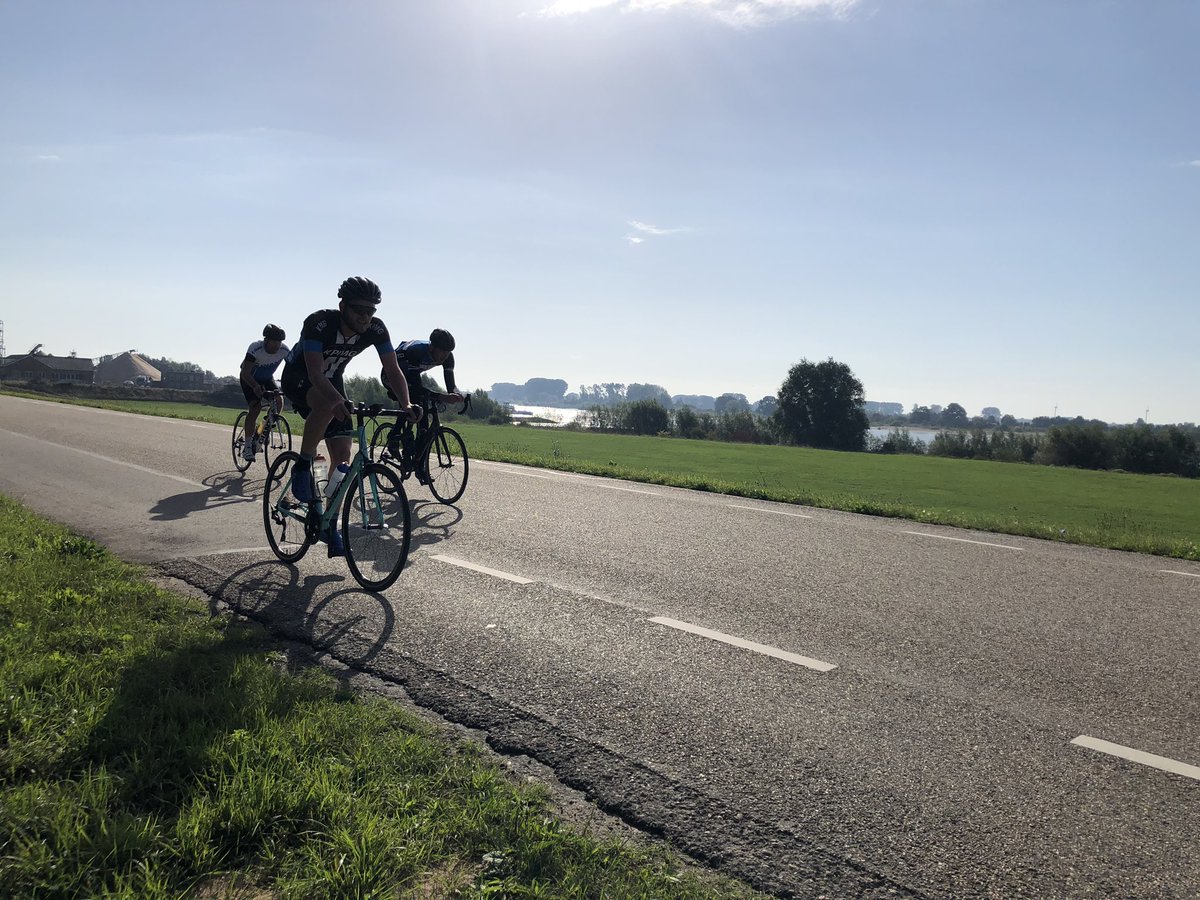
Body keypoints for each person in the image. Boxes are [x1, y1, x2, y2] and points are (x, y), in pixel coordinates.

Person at [280, 276, 419, 556]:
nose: (365, 317)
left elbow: (393, 369)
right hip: (300, 377)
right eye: (359, 310)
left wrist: (406, 403)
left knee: (343, 458)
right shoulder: (320, 323)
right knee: (325, 404)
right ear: (342, 306)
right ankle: (303, 465)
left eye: (371, 311)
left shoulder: (376, 329)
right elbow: (315, 373)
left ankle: (329, 521)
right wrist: (335, 401)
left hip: (333, 381)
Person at [380, 328, 465, 462]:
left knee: (422, 404)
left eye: (448, 352)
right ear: (432, 347)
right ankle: (394, 437)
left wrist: (458, 394)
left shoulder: (448, 358)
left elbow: (451, 387)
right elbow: (416, 387)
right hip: (390, 376)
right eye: (442, 351)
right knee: (412, 398)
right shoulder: (417, 352)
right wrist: (442, 397)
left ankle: (419, 452)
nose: (445, 356)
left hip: (409, 375)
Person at [239, 324, 289, 462]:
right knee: (255, 408)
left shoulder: (284, 350)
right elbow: (245, 372)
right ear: (266, 340)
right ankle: (247, 447)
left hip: (267, 378)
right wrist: (255, 386)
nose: (277, 345)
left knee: (278, 400)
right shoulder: (255, 348)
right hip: (249, 378)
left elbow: (293, 370)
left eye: (279, 342)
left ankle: (262, 430)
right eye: (273, 342)